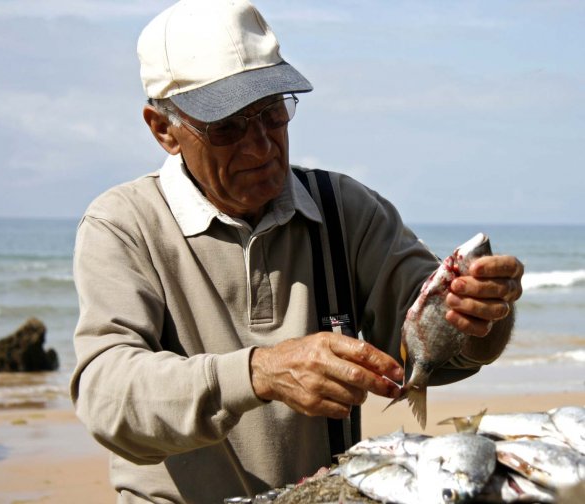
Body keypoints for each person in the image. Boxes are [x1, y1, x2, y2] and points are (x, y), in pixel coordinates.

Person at [70, 0, 524, 502]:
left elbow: (440, 352)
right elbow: (108, 396)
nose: (261, 146)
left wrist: (484, 316)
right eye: (227, 127)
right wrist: (259, 372)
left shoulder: (344, 209)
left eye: (272, 112)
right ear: (163, 129)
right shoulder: (123, 225)